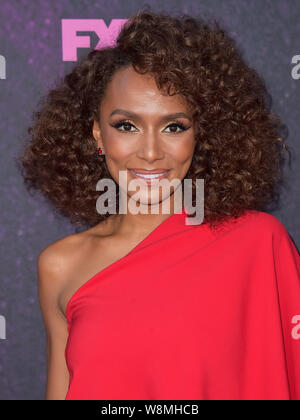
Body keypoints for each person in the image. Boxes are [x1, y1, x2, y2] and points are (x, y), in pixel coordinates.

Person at [18, 8, 300, 400]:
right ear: (98, 134)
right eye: (127, 126)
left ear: (201, 135)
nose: (150, 152)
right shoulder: (59, 265)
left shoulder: (258, 243)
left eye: (173, 126)